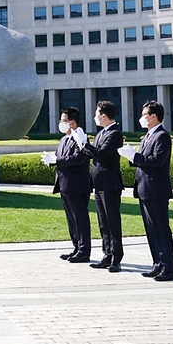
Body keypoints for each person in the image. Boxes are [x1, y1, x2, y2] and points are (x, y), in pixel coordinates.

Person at [74, 100, 124, 272]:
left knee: (112, 222)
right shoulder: (102, 133)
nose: (95, 117)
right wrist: (83, 145)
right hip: (99, 183)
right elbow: (91, 154)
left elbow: (101, 154)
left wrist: (85, 144)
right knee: (103, 222)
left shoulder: (115, 133)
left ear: (103, 116)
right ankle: (107, 254)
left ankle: (116, 257)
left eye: (96, 114)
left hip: (110, 184)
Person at [130, 101, 173, 281]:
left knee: (160, 229)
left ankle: (168, 268)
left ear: (153, 116)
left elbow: (156, 160)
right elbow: (144, 160)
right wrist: (132, 157)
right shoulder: (148, 136)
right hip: (145, 189)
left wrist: (135, 157)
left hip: (156, 190)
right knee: (151, 230)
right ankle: (157, 263)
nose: (142, 118)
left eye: (144, 115)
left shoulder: (162, 136)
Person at [52, 107, 92, 263]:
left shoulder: (81, 138)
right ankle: (76, 247)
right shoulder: (64, 139)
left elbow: (77, 159)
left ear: (72, 122)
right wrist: (52, 159)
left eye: (64, 121)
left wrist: (57, 160)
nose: (61, 123)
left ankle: (84, 250)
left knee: (80, 218)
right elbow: (60, 158)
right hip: (64, 184)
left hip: (77, 184)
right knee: (71, 219)